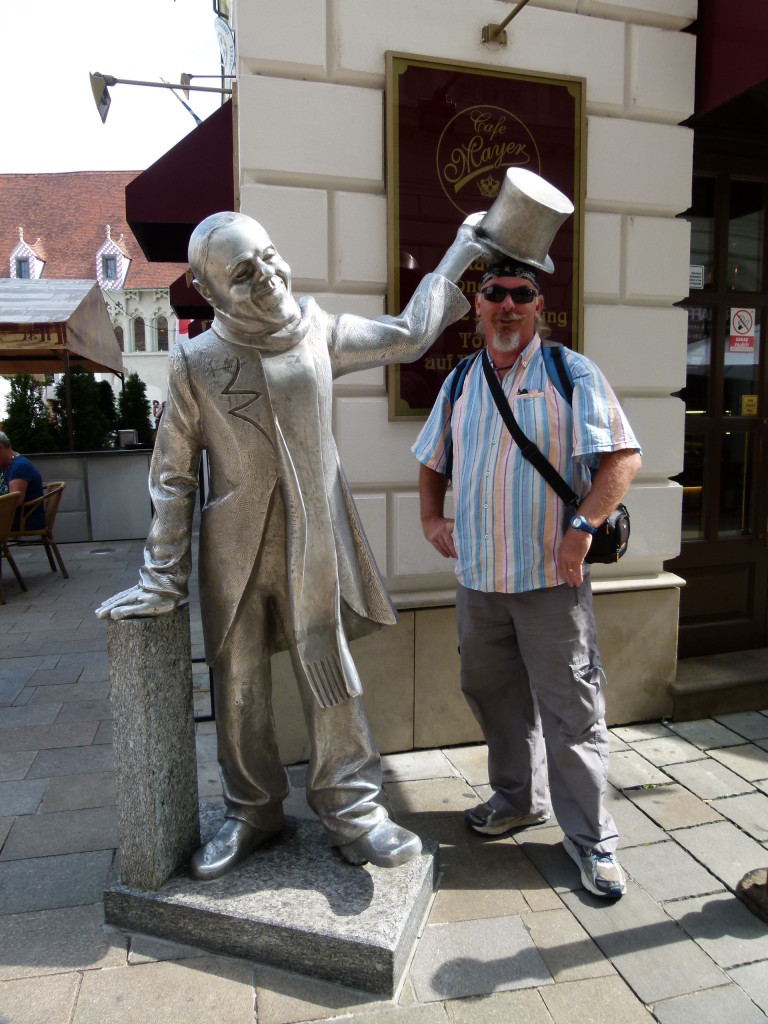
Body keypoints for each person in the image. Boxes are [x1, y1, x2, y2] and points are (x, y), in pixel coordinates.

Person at [96, 210, 492, 881]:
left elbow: (407, 334)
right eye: (244, 275)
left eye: (270, 257)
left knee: (327, 667)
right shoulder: (195, 361)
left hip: (315, 539)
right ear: (211, 291)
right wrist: (162, 575)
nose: (269, 278)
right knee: (239, 682)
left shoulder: (317, 328)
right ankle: (252, 809)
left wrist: (457, 252)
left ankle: (354, 808)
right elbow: (172, 476)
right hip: (235, 549)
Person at [412, 248, 642, 899]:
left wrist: (582, 527)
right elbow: (433, 456)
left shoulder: (571, 372)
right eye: (495, 294)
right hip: (479, 584)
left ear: (539, 306)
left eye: (520, 293)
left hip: (551, 585)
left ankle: (593, 839)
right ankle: (517, 799)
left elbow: (621, 458)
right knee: (495, 699)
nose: (508, 304)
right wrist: (432, 519)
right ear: (478, 308)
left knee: (571, 713)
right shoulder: (460, 380)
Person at [0, 432, 45, 530]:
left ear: (0, 448)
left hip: (26, 519)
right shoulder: (9, 465)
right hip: (15, 517)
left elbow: (13, 502)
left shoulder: (19, 467)